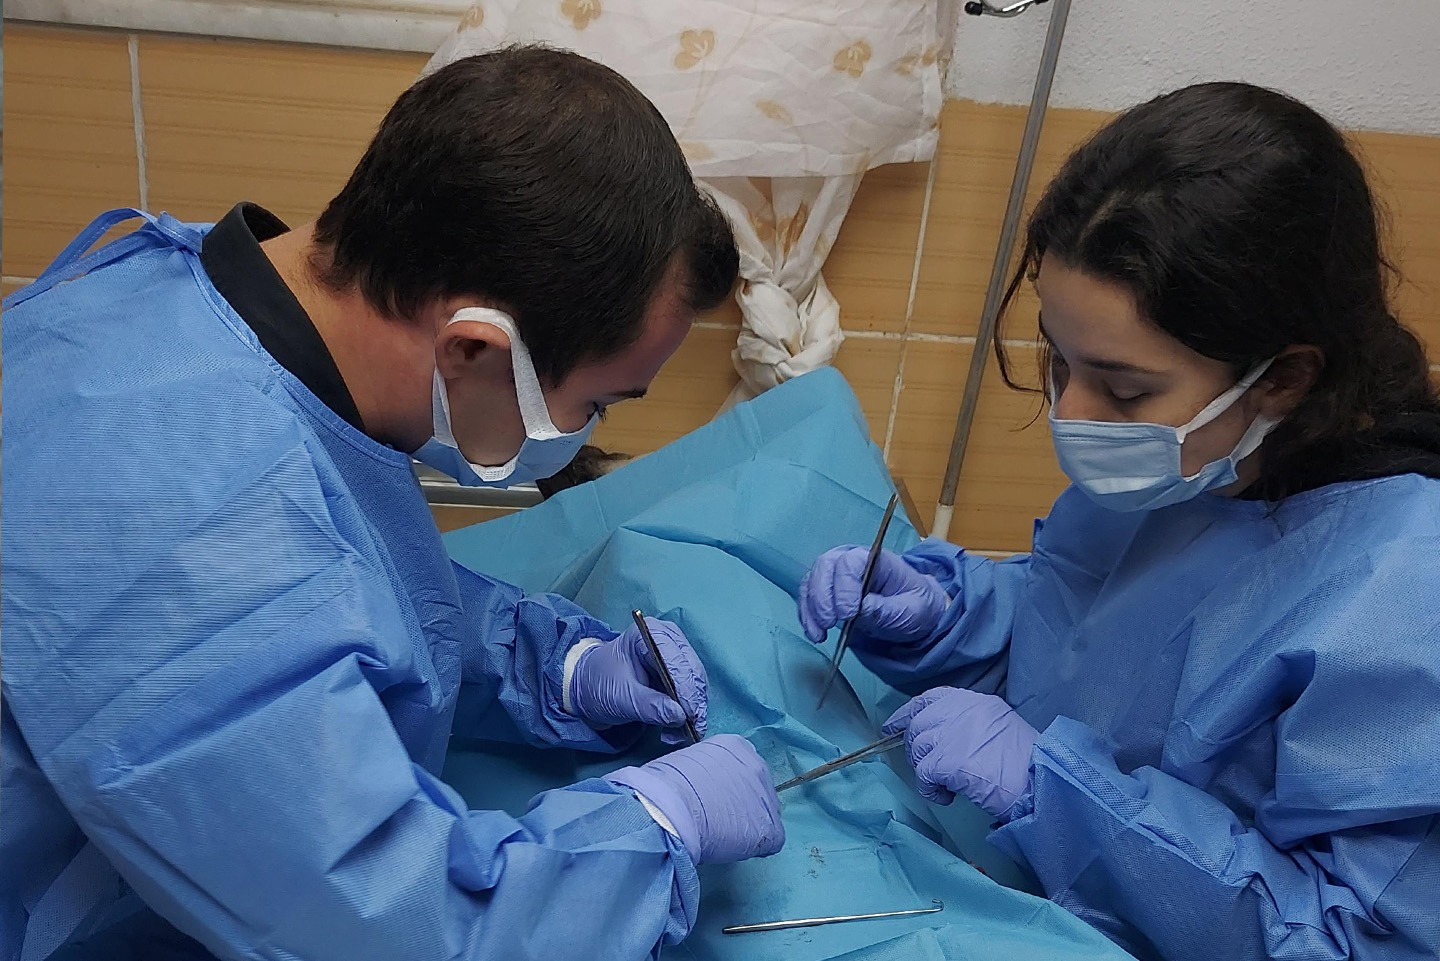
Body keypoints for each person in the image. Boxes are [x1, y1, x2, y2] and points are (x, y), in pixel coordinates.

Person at [1, 47, 785, 961]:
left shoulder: (185, 303)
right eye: (598, 403)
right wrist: (656, 826)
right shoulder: (181, 522)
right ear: (474, 351)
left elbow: (331, 582)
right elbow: (402, 926)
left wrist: (553, 668)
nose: (587, 432)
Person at [799, 82, 1440, 960]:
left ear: (1285, 378)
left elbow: (1358, 939)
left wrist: (1061, 797)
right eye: (1059, 362)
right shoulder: (1200, 467)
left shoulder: (1403, 593)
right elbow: (1090, 641)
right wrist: (947, 617)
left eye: (1125, 389)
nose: (1073, 415)